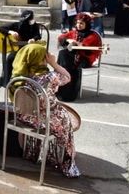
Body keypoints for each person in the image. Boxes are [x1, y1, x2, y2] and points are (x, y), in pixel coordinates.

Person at [10, 44, 81, 178]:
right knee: (65, 121)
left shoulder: (20, 76)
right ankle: (66, 157)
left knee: (56, 113)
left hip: (26, 117)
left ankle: (33, 152)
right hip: (44, 120)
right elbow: (67, 77)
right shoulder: (50, 77)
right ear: (42, 59)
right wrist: (54, 63)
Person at [56, 13, 102, 101]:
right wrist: (67, 40)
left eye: (81, 23)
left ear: (86, 24)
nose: (78, 25)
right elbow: (61, 38)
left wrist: (76, 43)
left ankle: (70, 92)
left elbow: (87, 50)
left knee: (70, 63)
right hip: (72, 58)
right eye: (77, 23)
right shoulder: (74, 32)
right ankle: (61, 87)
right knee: (63, 54)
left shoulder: (93, 36)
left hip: (84, 60)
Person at [0, 10, 42, 86]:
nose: (33, 19)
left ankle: (31, 82)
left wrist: (33, 39)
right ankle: (8, 82)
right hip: (18, 49)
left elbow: (38, 35)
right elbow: (1, 28)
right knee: (10, 58)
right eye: (31, 18)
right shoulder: (17, 25)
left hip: (31, 49)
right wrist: (11, 32)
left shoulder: (34, 25)